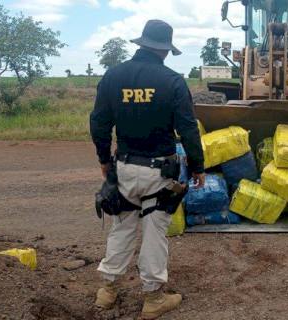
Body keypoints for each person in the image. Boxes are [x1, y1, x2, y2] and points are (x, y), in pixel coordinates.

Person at [90, 19, 205, 319]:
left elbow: (99, 124)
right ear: (165, 50)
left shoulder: (113, 77)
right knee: (155, 231)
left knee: (123, 225)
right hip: (159, 172)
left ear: (141, 44)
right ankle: (153, 298)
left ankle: (107, 290)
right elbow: (188, 130)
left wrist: (104, 160)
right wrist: (197, 166)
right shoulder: (173, 81)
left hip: (124, 166)